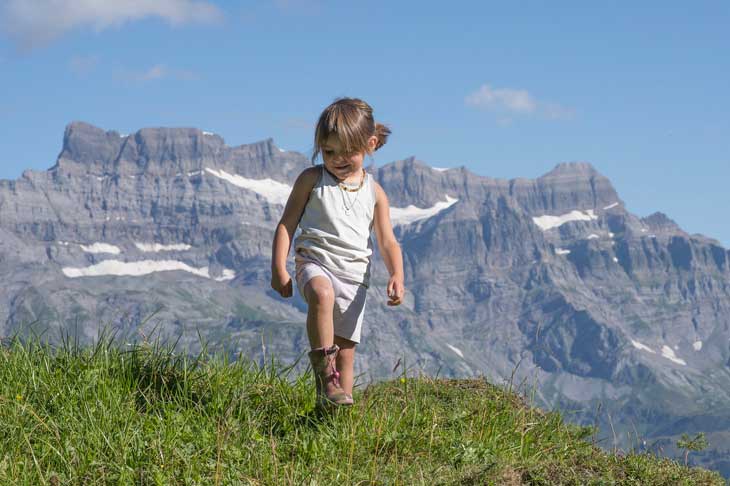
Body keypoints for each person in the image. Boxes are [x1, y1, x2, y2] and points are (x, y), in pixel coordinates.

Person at [270, 97, 405, 408]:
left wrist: (397, 274)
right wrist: (279, 267)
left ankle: (335, 420)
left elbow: (387, 241)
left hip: (355, 279)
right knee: (321, 293)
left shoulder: (375, 193)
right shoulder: (311, 180)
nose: (338, 160)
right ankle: (324, 374)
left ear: (370, 145)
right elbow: (286, 224)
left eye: (349, 153)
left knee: (345, 354)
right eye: (329, 152)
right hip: (315, 263)